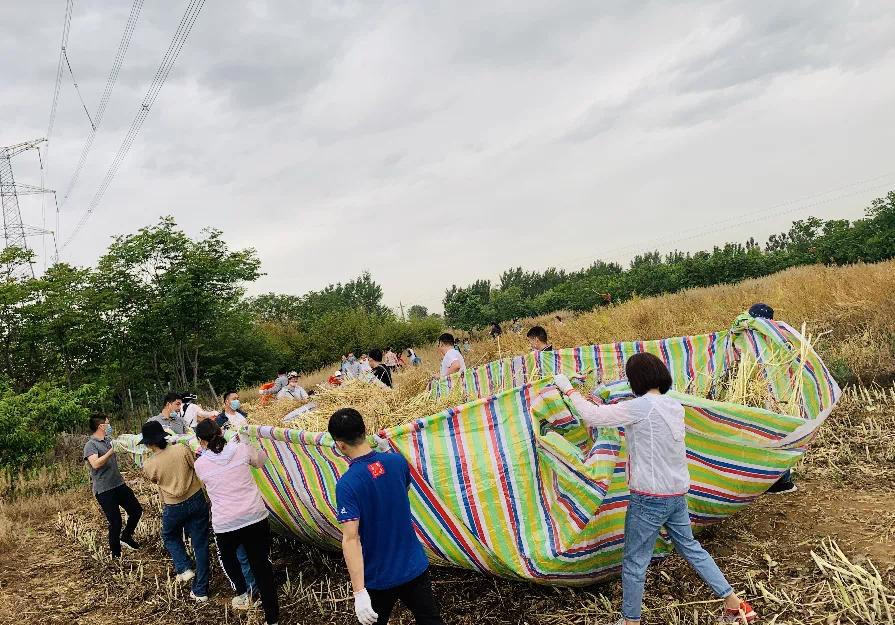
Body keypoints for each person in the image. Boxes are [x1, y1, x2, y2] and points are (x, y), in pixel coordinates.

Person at [551, 354, 756, 625]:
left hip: (649, 499)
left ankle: (631, 621)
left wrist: (567, 388)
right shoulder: (674, 405)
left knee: (635, 562)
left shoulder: (641, 407)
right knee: (691, 548)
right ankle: (735, 604)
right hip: (676, 494)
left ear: (636, 380)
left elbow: (592, 417)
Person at [329, 408, 445, 625]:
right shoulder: (398, 462)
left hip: (379, 576)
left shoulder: (347, 484)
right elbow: (400, 491)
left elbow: (351, 539)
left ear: (340, 445)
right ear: (364, 432)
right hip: (413, 565)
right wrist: (386, 456)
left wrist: (359, 592)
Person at [195, 420, 280, 625]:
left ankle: (243, 592)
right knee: (262, 566)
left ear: (201, 441)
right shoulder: (241, 449)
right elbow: (261, 462)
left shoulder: (200, 464)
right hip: (254, 516)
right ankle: (273, 618)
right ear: (222, 432)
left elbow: (206, 485)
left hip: (226, 523)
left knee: (228, 559)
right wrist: (255, 445)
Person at [139, 420, 210, 602]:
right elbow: (196, 466)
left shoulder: (148, 464)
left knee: (169, 535)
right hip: (196, 499)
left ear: (149, 443)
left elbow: (155, 480)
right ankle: (201, 590)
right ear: (163, 437)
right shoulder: (181, 449)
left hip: (173, 505)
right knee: (200, 544)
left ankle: (184, 568)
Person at [747, 303, 797, 495]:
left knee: (775, 436)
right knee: (773, 436)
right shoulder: (773, 337)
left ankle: (781, 482)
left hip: (775, 396)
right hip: (775, 395)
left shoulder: (768, 339)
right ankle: (775, 480)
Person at [84, 414, 142, 558]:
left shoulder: (109, 440)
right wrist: (112, 451)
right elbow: (95, 464)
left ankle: (126, 536)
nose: (110, 426)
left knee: (136, 510)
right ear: (101, 426)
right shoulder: (90, 445)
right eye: (108, 424)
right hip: (104, 490)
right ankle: (116, 555)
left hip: (119, 484)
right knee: (115, 522)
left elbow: (124, 445)